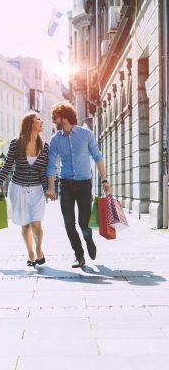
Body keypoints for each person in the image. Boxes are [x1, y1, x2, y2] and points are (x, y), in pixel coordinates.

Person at [45, 102, 111, 268]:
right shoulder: (55, 139)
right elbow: (51, 164)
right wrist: (51, 187)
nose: (54, 121)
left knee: (83, 223)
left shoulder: (85, 134)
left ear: (65, 117)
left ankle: (88, 239)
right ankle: (79, 255)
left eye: (55, 117)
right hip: (65, 185)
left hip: (84, 185)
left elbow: (97, 156)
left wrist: (104, 179)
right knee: (68, 223)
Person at [0, 113, 49, 267]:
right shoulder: (16, 144)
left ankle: (39, 248)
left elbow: (43, 171)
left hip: (37, 190)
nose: (42, 122)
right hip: (18, 188)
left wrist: (48, 189)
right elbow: (7, 167)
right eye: (38, 119)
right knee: (25, 224)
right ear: (30, 123)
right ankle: (31, 254)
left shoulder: (45, 146)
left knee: (36, 224)